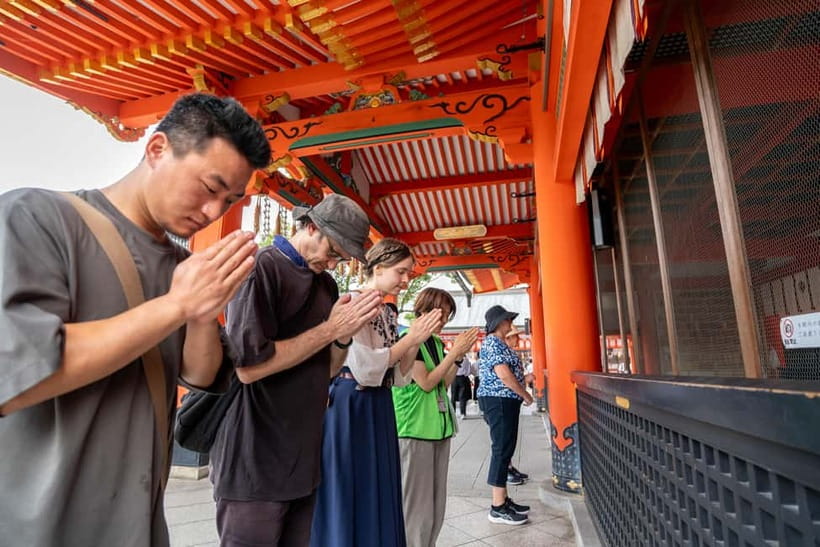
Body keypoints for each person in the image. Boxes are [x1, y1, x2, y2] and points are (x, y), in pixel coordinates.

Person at [0, 93, 271, 547]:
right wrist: (176, 306)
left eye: (229, 201)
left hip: (140, 520)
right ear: (157, 149)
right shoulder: (37, 216)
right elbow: (17, 373)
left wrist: (203, 311)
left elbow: (201, 375)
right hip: (39, 520)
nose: (212, 212)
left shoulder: (182, 268)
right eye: (209, 188)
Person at [209, 193, 383, 547]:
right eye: (333, 251)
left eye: (341, 257)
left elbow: (330, 370)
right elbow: (249, 368)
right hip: (254, 456)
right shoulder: (262, 268)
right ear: (311, 227)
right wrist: (330, 330)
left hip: (303, 456)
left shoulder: (326, 285)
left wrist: (343, 337)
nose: (334, 263)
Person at [310, 238, 442, 547]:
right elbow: (365, 367)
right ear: (378, 268)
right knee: (350, 484)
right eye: (401, 271)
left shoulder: (387, 312)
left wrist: (415, 339)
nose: (406, 279)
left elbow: (396, 374)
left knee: (378, 483)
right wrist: (411, 340)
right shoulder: (353, 302)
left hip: (378, 402)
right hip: (351, 402)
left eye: (408, 272)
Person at [392, 288, 479, 547]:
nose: (443, 320)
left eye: (447, 314)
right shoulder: (410, 339)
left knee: (435, 505)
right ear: (423, 308)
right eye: (440, 312)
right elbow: (427, 383)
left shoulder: (437, 344)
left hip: (438, 428)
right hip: (413, 429)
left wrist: (458, 355)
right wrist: (454, 353)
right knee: (416, 507)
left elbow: (445, 383)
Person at [477, 305, 533, 525]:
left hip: (504, 400)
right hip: (498, 399)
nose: (511, 323)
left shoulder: (498, 342)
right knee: (501, 449)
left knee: (506, 448)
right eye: (508, 319)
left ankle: (504, 500)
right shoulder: (492, 342)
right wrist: (525, 395)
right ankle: (497, 506)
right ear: (499, 322)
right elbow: (504, 375)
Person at [502, 326, 533, 486]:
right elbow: (506, 377)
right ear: (508, 338)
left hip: (512, 399)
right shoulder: (502, 353)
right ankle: (505, 471)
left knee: (510, 436)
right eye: (515, 336)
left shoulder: (511, 353)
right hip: (504, 399)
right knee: (503, 438)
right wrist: (524, 393)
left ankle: (509, 466)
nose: (518, 339)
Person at [451, 348, 473, 420]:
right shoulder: (466, 360)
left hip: (454, 378)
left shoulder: (453, 359)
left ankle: (452, 413)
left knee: (453, 396)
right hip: (462, 378)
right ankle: (463, 413)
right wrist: (465, 375)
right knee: (462, 396)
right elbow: (468, 370)